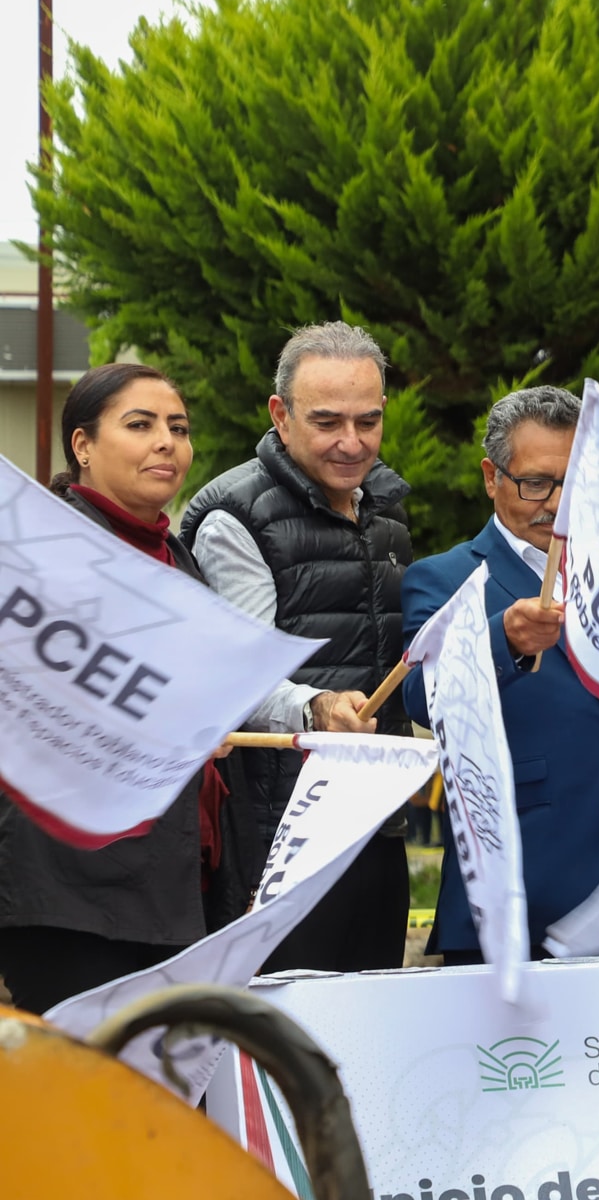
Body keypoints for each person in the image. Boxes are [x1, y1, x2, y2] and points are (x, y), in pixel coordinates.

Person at [0, 364, 356, 1013]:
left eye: (178, 428)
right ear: (82, 445)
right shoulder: (44, 558)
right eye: (140, 425)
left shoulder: (177, 560)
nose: (167, 442)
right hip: (73, 897)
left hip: (179, 886)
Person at [400, 386, 599, 961]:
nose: (555, 504)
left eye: (574, 485)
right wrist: (502, 637)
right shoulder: (446, 578)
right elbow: (418, 696)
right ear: (491, 477)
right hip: (513, 891)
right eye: (535, 483)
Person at [181, 322, 412, 974]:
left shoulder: (387, 510)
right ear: (280, 416)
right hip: (280, 833)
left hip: (375, 819)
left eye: (369, 421)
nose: (352, 441)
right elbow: (240, 675)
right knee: (287, 1047)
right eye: (328, 421)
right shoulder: (236, 517)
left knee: (373, 1037)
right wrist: (316, 708)